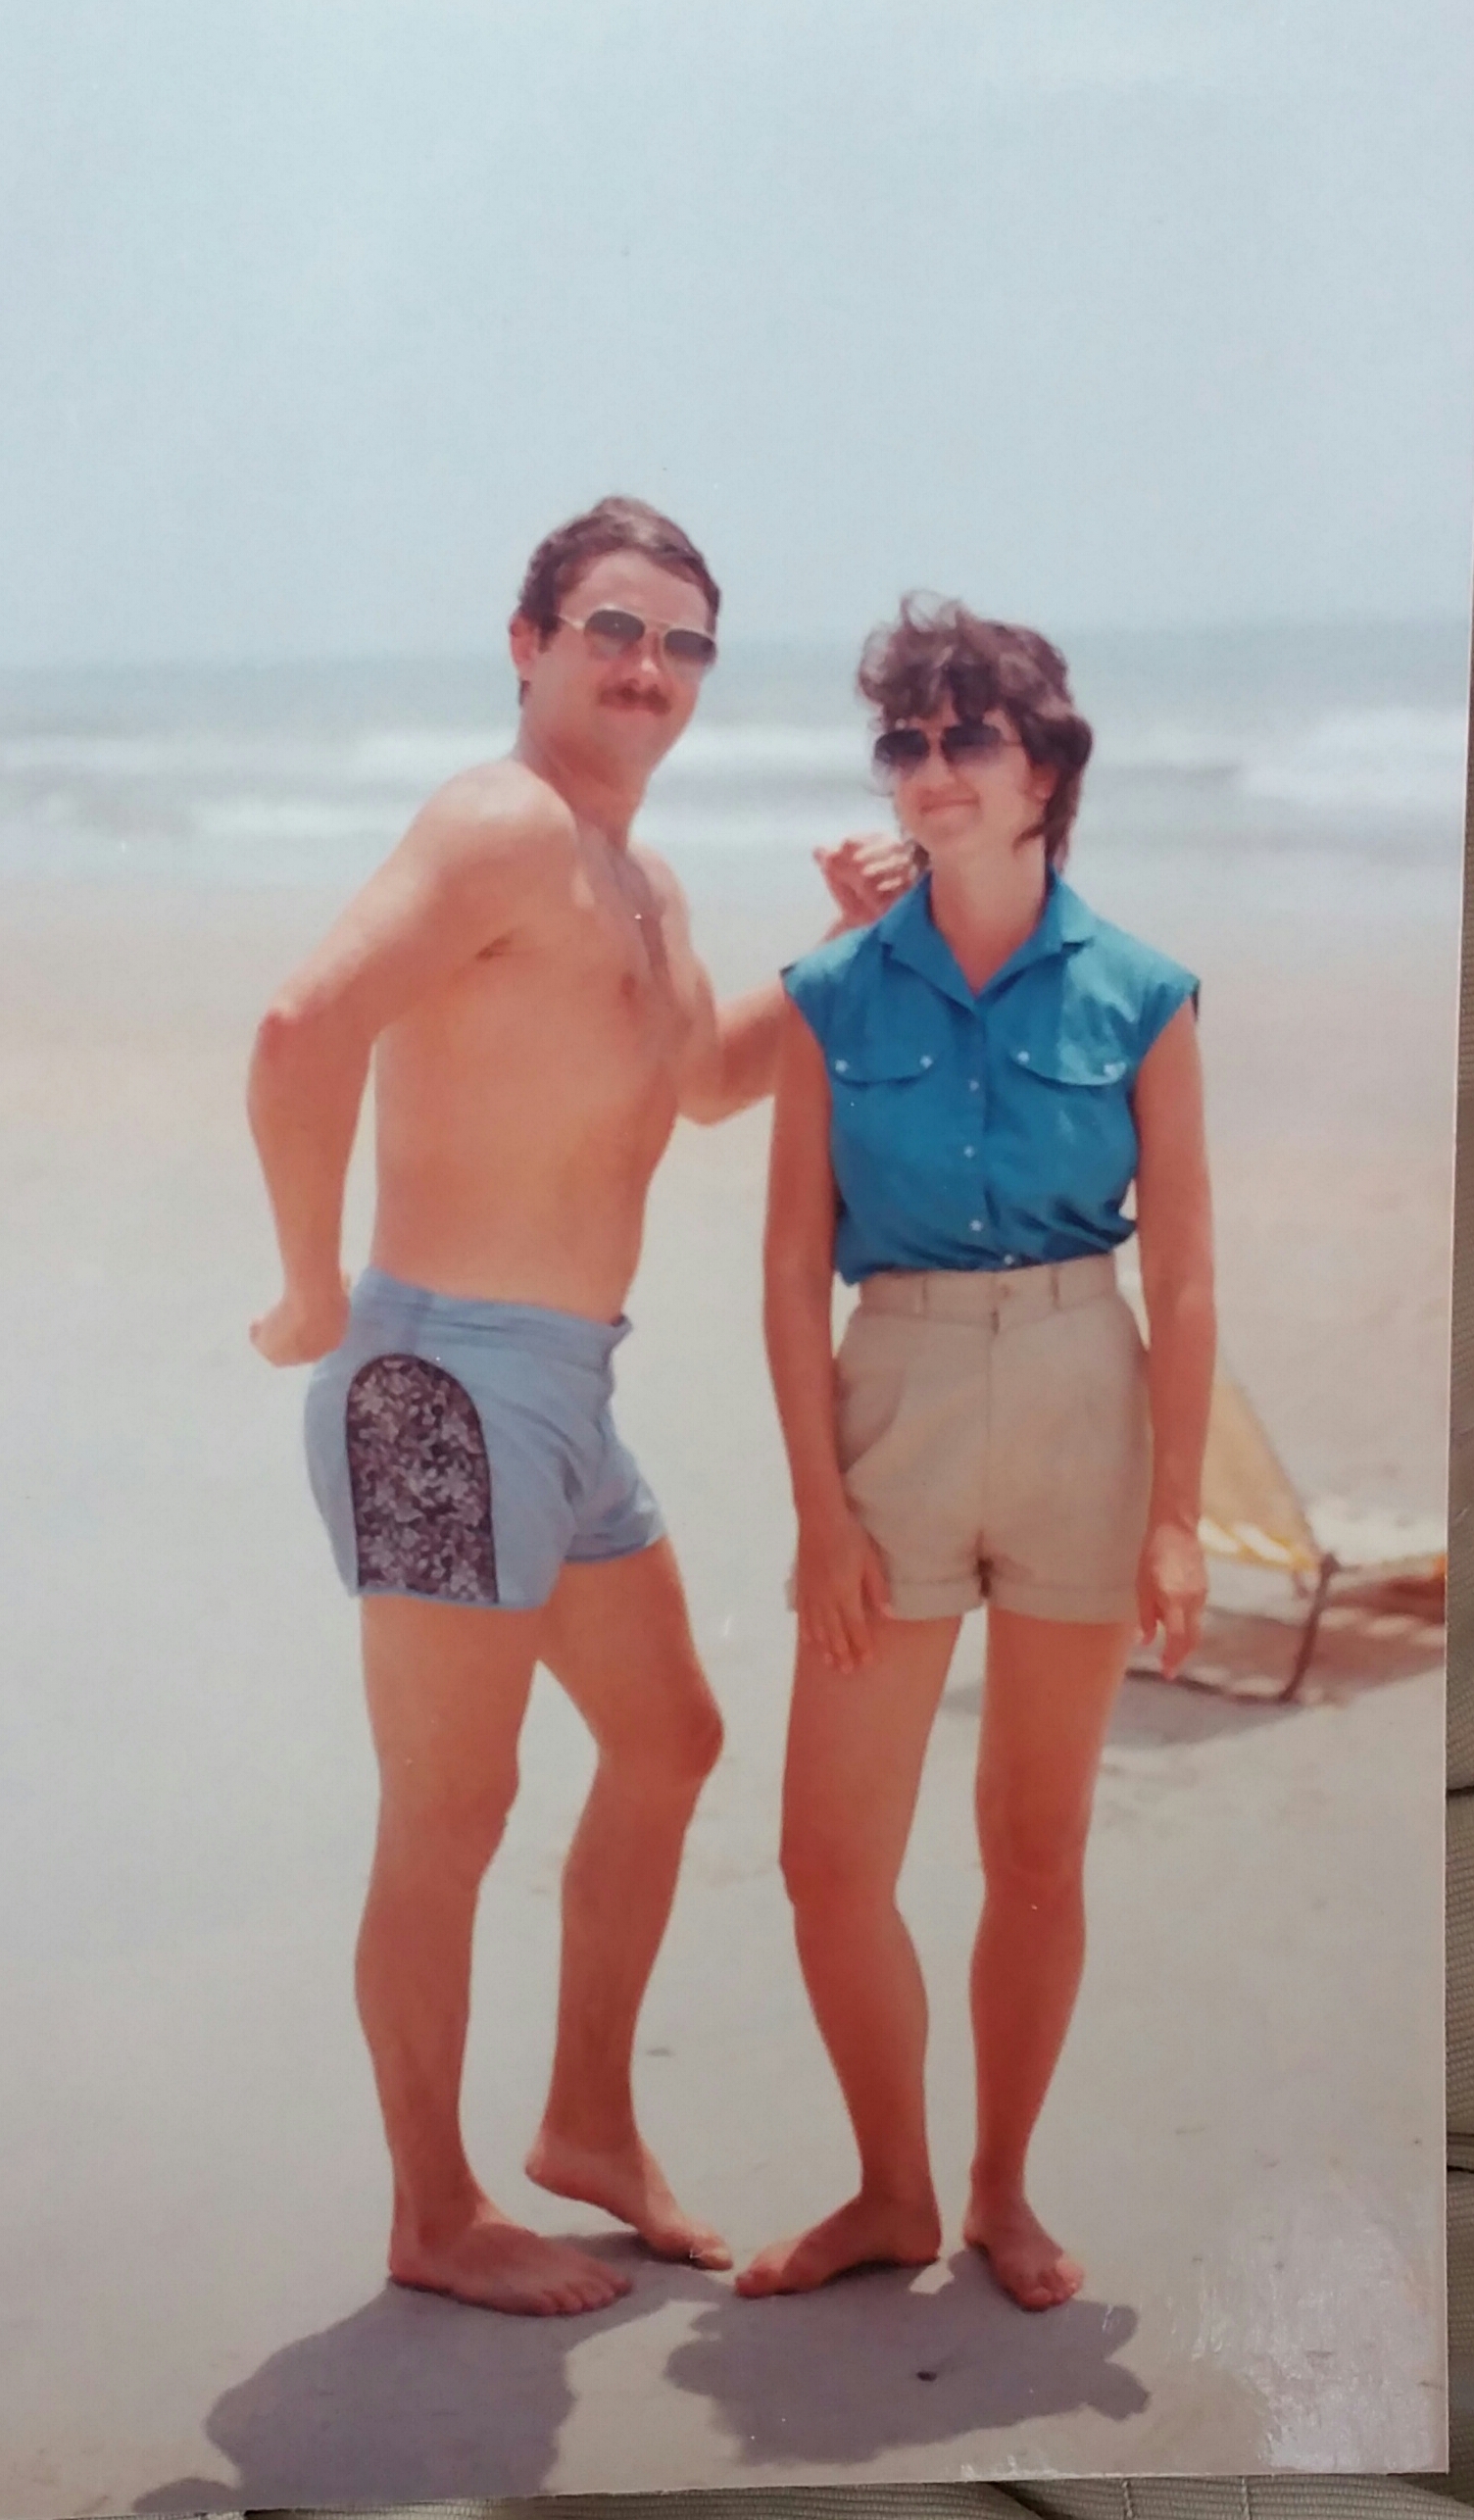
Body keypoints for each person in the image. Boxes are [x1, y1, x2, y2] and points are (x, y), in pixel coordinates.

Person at [246, 496, 909, 2319]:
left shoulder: (637, 879)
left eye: (683, 643)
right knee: (449, 1812)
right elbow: (303, 1028)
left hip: (564, 1394)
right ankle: (433, 2209)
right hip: (439, 1384)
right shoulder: (502, 825)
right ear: (529, 644)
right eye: (614, 628)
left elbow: (702, 1079)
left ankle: (589, 2126)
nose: (649, 668)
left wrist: (849, 947)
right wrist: (312, 1286)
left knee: (669, 1738)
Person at [739, 600, 1215, 2312]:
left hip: (1089, 1393)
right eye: (906, 743)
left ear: (1045, 771)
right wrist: (819, 1513)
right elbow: (789, 1272)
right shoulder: (828, 994)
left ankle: (1002, 2192)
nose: (932, 769)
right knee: (827, 1857)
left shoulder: (1145, 994)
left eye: (968, 738)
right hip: (898, 1401)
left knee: (1034, 1845)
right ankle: (891, 2188)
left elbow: (1189, 1274)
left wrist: (1177, 1518)